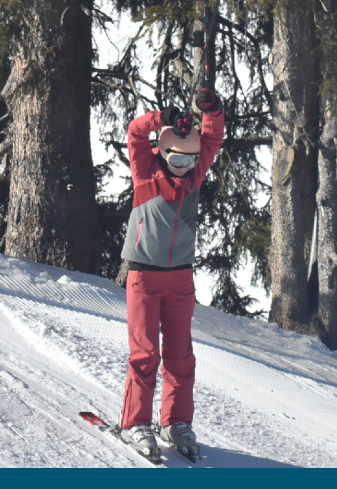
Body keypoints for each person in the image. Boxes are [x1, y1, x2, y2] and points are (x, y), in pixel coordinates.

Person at [118, 86, 224, 459]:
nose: (183, 166)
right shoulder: (144, 171)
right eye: (176, 158)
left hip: (180, 276)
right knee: (145, 353)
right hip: (144, 274)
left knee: (180, 355)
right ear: (163, 152)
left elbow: (211, 138)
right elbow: (135, 132)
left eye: (190, 159)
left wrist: (212, 110)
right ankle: (135, 423)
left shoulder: (194, 177)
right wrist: (159, 119)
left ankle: (175, 421)